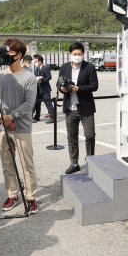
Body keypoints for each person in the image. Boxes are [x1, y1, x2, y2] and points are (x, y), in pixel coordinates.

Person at [0, 39, 39, 214]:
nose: (5, 56)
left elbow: (29, 104)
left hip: (21, 128)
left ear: (19, 55)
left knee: (26, 165)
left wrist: (10, 116)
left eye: (9, 53)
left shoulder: (29, 77)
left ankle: (30, 197)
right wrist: (1, 116)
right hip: (3, 128)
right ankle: (12, 194)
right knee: (8, 165)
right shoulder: (1, 76)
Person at [58, 42, 98, 174]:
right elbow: (59, 83)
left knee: (90, 135)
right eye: (74, 54)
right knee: (72, 138)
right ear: (70, 54)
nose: (77, 56)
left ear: (83, 54)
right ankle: (74, 163)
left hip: (86, 108)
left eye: (79, 54)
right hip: (70, 107)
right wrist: (62, 88)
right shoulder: (64, 67)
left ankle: (91, 161)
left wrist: (78, 88)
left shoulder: (89, 67)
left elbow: (94, 86)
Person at [32, 55, 54, 124]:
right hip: (38, 89)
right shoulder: (37, 69)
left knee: (48, 104)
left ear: (40, 61)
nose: (34, 63)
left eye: (35, 61)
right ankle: (37, 116)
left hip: (45, 89)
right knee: (37, 103)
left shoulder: (45, 68)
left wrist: (42, 80)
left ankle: (53, 118)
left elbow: (49, 77)